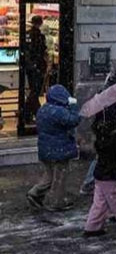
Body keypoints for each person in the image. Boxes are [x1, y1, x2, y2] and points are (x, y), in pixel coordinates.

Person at [83, 74, 116, 237]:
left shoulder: (101, 100)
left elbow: (95, 124)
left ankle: (93, 225)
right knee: (114, 193)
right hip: (110, 150)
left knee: (100, 194)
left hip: (103, 148)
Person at [26, 84, 80, 212]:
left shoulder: (43, 109)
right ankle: (57, 202)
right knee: (60, 178)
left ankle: (34, 193)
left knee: (49, 176)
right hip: (59, 150)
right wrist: (73, 106)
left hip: (46, 150)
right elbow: (74, 120)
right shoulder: (58, 111)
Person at [21, 16, 49, 118]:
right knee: (35, 90)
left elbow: (26, 49)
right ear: (40, 23)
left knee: (33, 89)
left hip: (29, 66)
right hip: (38, 66)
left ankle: (29, 112)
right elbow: (42, 50)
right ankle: (29, 112)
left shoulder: (26, 34)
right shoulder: (40, 36)